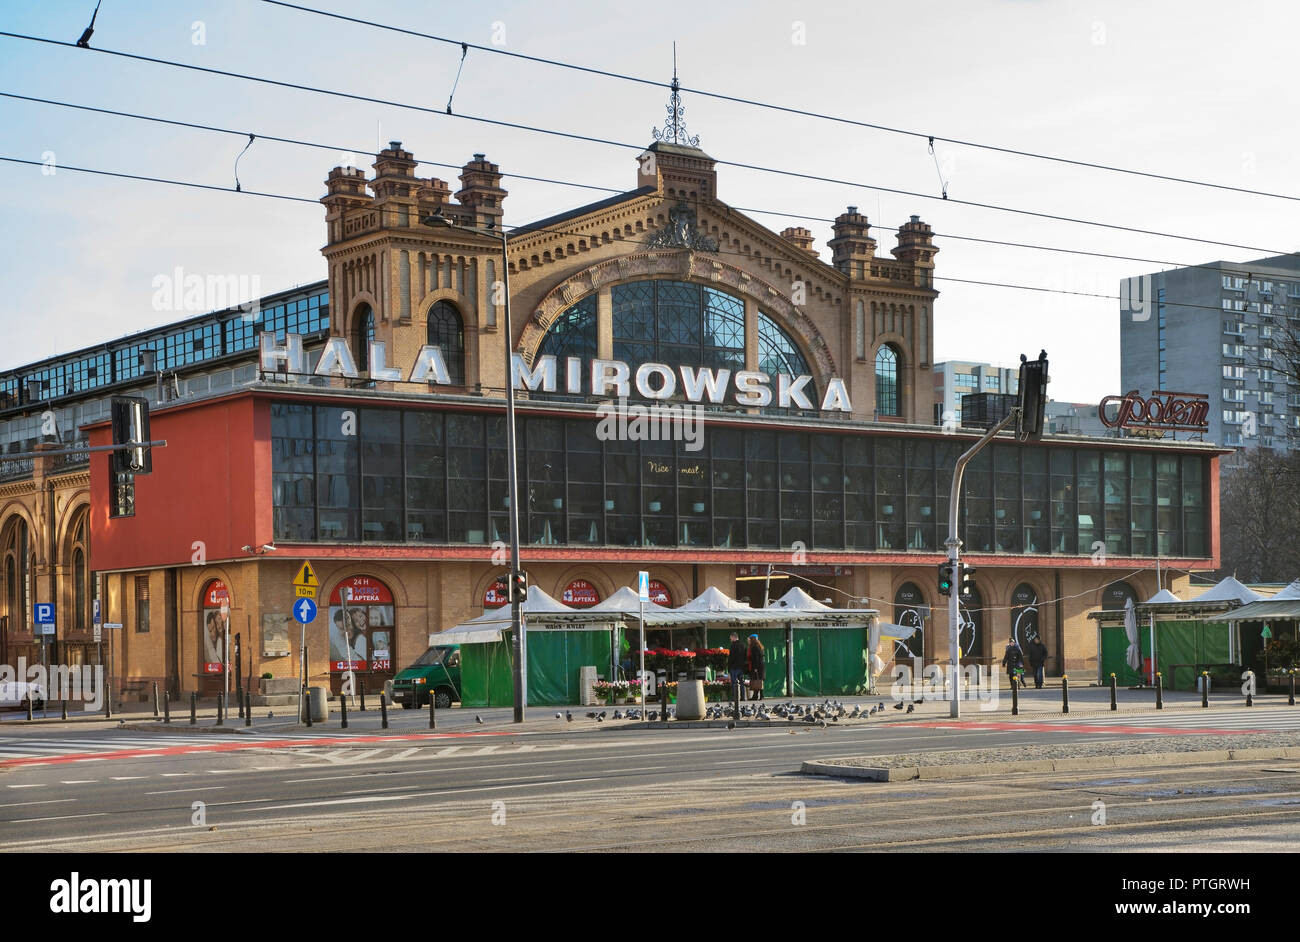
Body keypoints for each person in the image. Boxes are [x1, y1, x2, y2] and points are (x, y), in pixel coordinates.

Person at [726, 631, 747, 698]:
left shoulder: (733, 645)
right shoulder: (743, 645)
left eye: (731, 638)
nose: (730, 640)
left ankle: (735, 697)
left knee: (734, 683)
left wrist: (729, 668)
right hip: (741, 667)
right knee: (741, 683)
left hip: (734, 667)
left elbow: (731, 657)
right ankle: (743, 697)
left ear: (733, 637)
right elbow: (745, 656)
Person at [746, 634, 766, 701]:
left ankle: (757, 696)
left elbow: (756, 658)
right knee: (759, 680)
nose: (748, 641)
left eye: (749, 640)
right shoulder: (760, 646)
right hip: (760, 666)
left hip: (757, 666)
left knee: (756, 680)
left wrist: (755, 668)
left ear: (752, 640)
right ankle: (759, 696)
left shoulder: (754, 647)